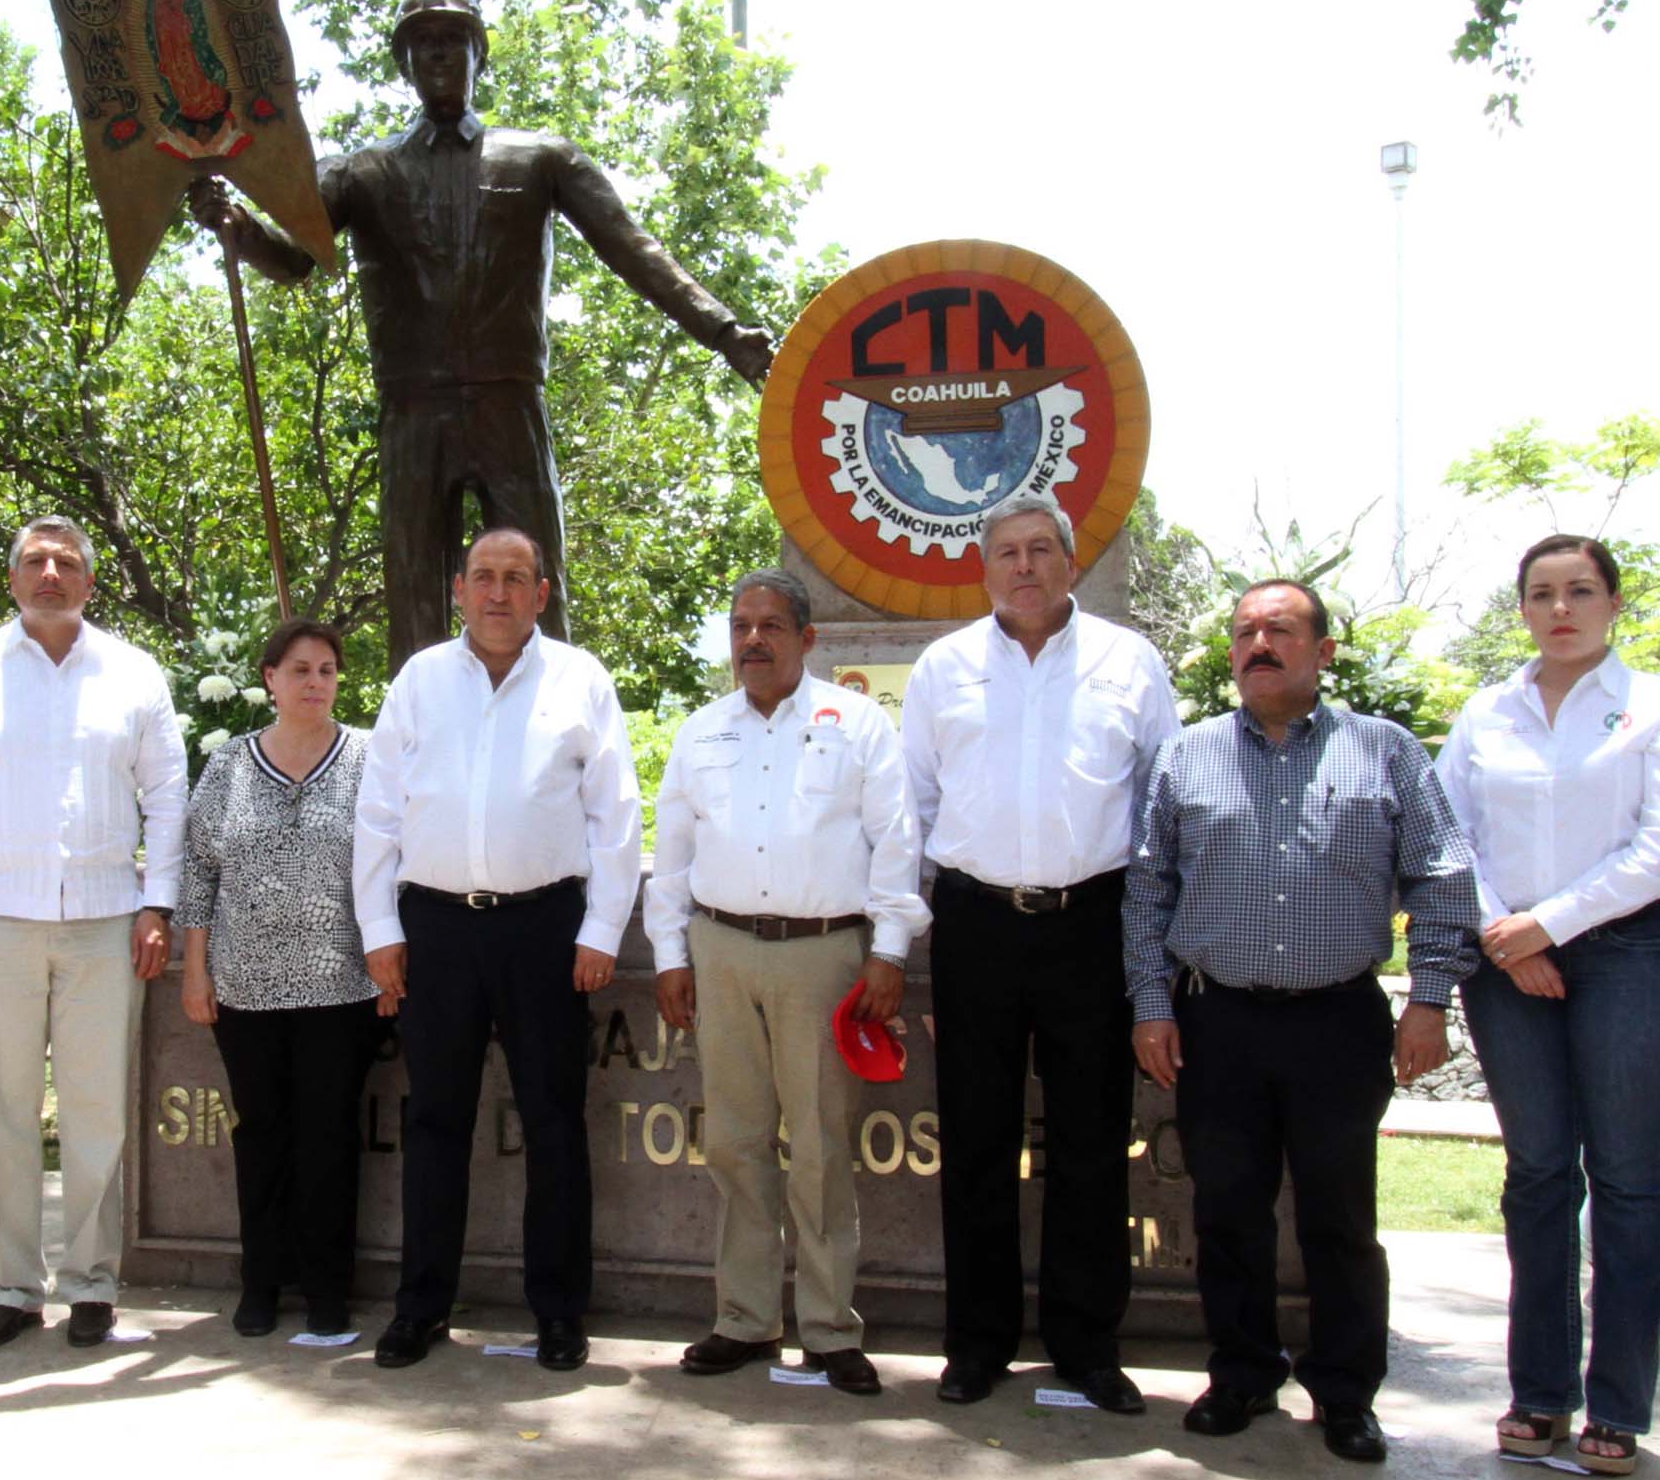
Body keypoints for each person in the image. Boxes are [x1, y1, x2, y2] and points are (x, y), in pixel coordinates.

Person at [190, 0, 774, 664]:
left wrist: (724, 332)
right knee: (413, 587)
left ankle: (555, 737)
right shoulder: (361, 170)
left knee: (535, 587)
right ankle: (421, 748)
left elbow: (634, 251)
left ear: (478, 54)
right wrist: (231, 223)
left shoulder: (540, 158)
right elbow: (291, 260)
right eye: (424, 44)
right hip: (413, 409)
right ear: (405, 62)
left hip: (508, 402)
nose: (439, 55)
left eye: (453, 40)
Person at [1126, 579, 1480, 1462]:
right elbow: (1146, 889)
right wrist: (1150, 1003)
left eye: (1280, 630)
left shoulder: (1384, 751)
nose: (1258, 644)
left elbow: (1442, 876)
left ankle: (1347, 1392)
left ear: (1323, 652)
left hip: (1338, 1021)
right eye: (1244, 630)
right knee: (1229, 1211)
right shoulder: (1188, 756)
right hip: (1220, 1022)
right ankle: (1242, 1374)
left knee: (1340, 1218)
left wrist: (1430, 997)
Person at [1435, 534, 1660, 1476]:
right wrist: (1506, 936)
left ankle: (1620, 1407)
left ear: (1613, 603)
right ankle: (1540, 1394)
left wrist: (1548, 924)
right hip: (1508, 960)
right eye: (1542, 594)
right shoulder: (1487, 713)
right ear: (1521, 609)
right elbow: (1446, 837)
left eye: (1580, 591)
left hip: (1629, 955)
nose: (1561, 609)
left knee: (1627, 1177)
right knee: (1538, 1174)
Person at [900, 492, 1180, 1410]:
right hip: (976, 924)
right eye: (1005, 553)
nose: (1022, 566)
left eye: (1038, 550)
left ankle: (1086, 1345)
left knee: (1093, 1143)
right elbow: (915, 814)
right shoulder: (944, 669)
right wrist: (919, 947)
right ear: (985, 570)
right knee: (975, 1141)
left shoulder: (1128, 663)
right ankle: (977, 1344)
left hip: (1090, 923)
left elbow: (1159, 814)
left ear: (1070, 560)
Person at [352, 528, 641, 1370]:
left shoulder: (579, 680)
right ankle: (422, 1309)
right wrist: (381, 932)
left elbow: (614, 817)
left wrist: (598, 932)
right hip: (436, 930)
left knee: (554, 1124)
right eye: (483, 577)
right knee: (434, 1123)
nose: (499, 593)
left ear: (541, 593)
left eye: (516, 578)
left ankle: (557, 1313)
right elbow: (378, 814)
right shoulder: (419, 681)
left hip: (544, 931)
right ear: (458, 589)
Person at [644, 570, 927, 1395]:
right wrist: (669, 954)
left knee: (820, 1146)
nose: (753, 640)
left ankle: (833, 1329)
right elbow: (674, 857)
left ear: (808, 639)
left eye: (771, 625)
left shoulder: (857, 724)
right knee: (734, 1143)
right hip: (722, 950)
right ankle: (745, 1319)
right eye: (740, 626)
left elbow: (896, 842)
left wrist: (891, 949)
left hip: (824, 956)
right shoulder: (701, 734)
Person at [0, 517, 184, 1352]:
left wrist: (157, 905)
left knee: (99, 1113)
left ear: (89, 583)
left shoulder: (133, 674)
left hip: (106, 920)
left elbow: (167, 793)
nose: (51, 573)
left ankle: (93, 1281)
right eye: (35, 561)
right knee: (4, 1113)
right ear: (13, 580)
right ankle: (11, 1286)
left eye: (67, 563)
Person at [177, 618, 392, 1340]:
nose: (314, 683)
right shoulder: (231, 766)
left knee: (329, 1139)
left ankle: (329, 1289)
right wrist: (195, 972)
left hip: (342, 988)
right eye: (299, 669)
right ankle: (261, 1282)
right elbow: (199, 874)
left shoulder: (369, 758)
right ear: (269, 678)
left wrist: (394, 960)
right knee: (261, 1136)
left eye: (327, 670)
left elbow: (396, 864)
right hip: (246, 990)